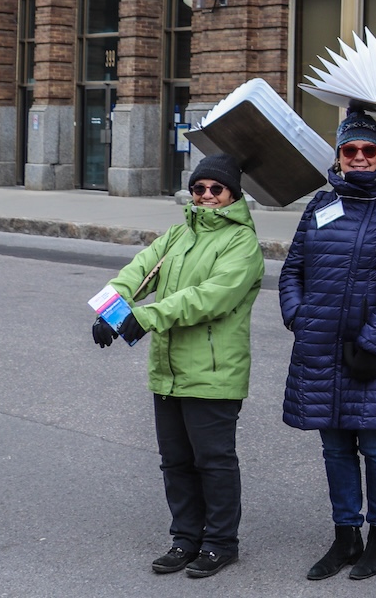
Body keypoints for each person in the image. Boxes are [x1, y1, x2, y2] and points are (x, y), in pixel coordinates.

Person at [91, 153, 265, 579]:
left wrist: (145, 317)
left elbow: (209, 297)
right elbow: (137, 271)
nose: (205, 195)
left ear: (232, 195)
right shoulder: (177, 234)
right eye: (198, 188)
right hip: (168, 370)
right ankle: (186, 538)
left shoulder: (242, 244)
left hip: (213, 371)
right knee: (175, 461)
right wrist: (111, 309)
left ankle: (221, 542)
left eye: (215, 189)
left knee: (214, 460)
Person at [280, 111, 376, 581]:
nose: (359, 157)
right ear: (338, 156)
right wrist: (298, 315)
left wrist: (372, 339)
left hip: (371, 354)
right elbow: (291, 269)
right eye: (350, 150)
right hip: (318, 347)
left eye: (368, 150)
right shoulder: (319, 204)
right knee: (335, 448)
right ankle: (345, 536)